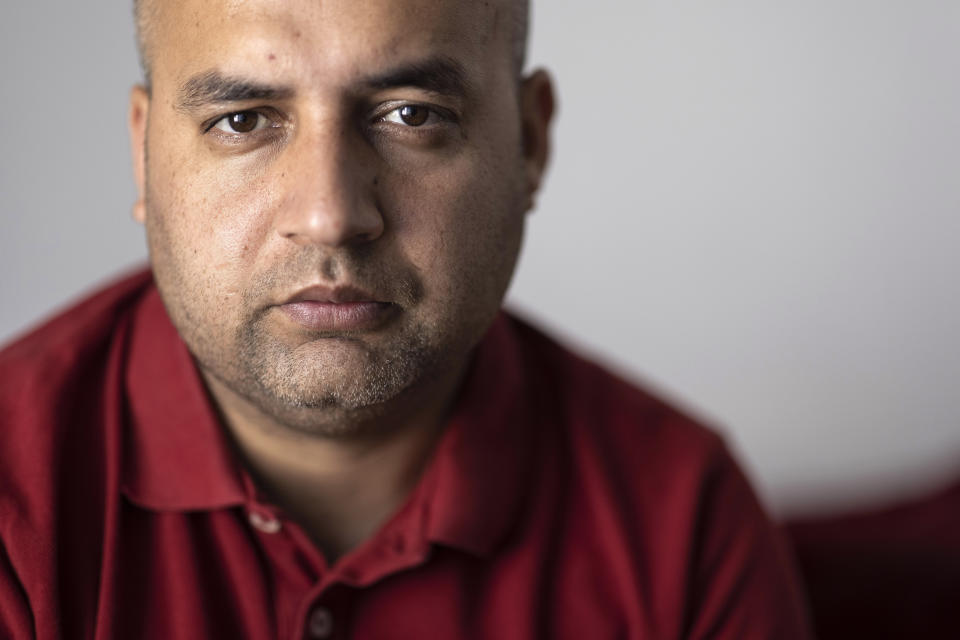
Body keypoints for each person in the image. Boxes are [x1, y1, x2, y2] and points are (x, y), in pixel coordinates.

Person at [0, 0, 812, 638]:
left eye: (411, 114)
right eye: (242, 120)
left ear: (529, 142)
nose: (329, 214)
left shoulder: (681, 521)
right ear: (144, 151)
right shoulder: (16, 507)